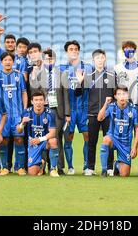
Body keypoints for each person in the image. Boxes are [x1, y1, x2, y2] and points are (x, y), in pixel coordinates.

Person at [29, 49, 71, 175]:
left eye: (51, 59)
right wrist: (34, 76)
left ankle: (59, 167)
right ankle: (43, 164)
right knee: (43, 138)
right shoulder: (39, 74)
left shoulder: (62, 74)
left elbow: (66, 95)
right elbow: (34, 92)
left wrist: (67, 114)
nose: (49, 61)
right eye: (47, 59)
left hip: (57, 111)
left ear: (55, 60)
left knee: (56, 137)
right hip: (42, 110)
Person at [76, 49, 116, 176]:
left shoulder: (111, 75)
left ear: (105, 59)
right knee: (91, 141)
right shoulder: (88, 76)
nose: (100, 60)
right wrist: (79, 81)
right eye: (97, 58)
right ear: (93, 60)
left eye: (102, 57)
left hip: (108, 114)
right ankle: (90, 167)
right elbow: (78, 94)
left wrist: (111, 105)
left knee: (108, 140)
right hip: (92, 113)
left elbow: (116, 95)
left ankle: (110, 167)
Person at [0, 52, 28, 176]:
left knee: (19, 139)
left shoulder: (19, 76)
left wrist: (24, 109)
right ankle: (5, 167)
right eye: (5, 60)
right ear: (1, 62)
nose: (8, 62)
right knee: (4, 141)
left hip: (17, 114)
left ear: (13, 61)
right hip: (2, 115)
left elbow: (24, 92)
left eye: (10, 60)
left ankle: (20, 167)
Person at [59, 40, 93, 175]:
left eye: (75, 49)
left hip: (84, 109)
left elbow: (89, 88)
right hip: (70, 109)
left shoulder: (88, 68)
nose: (73, 51)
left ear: (78, 51)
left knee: (87, 137)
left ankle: (86, 167)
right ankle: (70, 167)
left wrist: (81, 82)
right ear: (67, 52)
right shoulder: (61, 68)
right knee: (69, 138)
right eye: (70, 49)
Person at [114, 41, 138, 176]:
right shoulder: (117, 68)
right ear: (123, 51)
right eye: (126, 49)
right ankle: (118, 163)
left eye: (132, 49)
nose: (129, 51)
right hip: (124, 106)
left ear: (135, 50)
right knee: (120, 133)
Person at [97, 86, 138, 177]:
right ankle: (104, 170)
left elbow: (137, 129)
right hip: (113, 139)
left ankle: (116, 165)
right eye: (119, 94)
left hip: (125, 144)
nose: (122, 97)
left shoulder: (133, 109)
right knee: (106, 139)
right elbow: (99, 118)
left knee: (124, 174)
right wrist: (105, 104)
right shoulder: (111, 107)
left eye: (124, 94)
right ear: (115, 96)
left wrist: (134, 147)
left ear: (127, 95)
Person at [17, 91, 60, 177]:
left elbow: (52, 133)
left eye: (41, 100)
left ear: (45, 101)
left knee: (53, 141)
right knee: (32, 173)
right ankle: (41, 165)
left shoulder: (50, 113)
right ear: (32, 102)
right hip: (33, 143)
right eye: (36, 100)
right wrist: (22, 123)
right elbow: (19, 131)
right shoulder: (26, 113)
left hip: (45, 141)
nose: (38, 102)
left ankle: (53, 169)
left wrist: (40, 139)